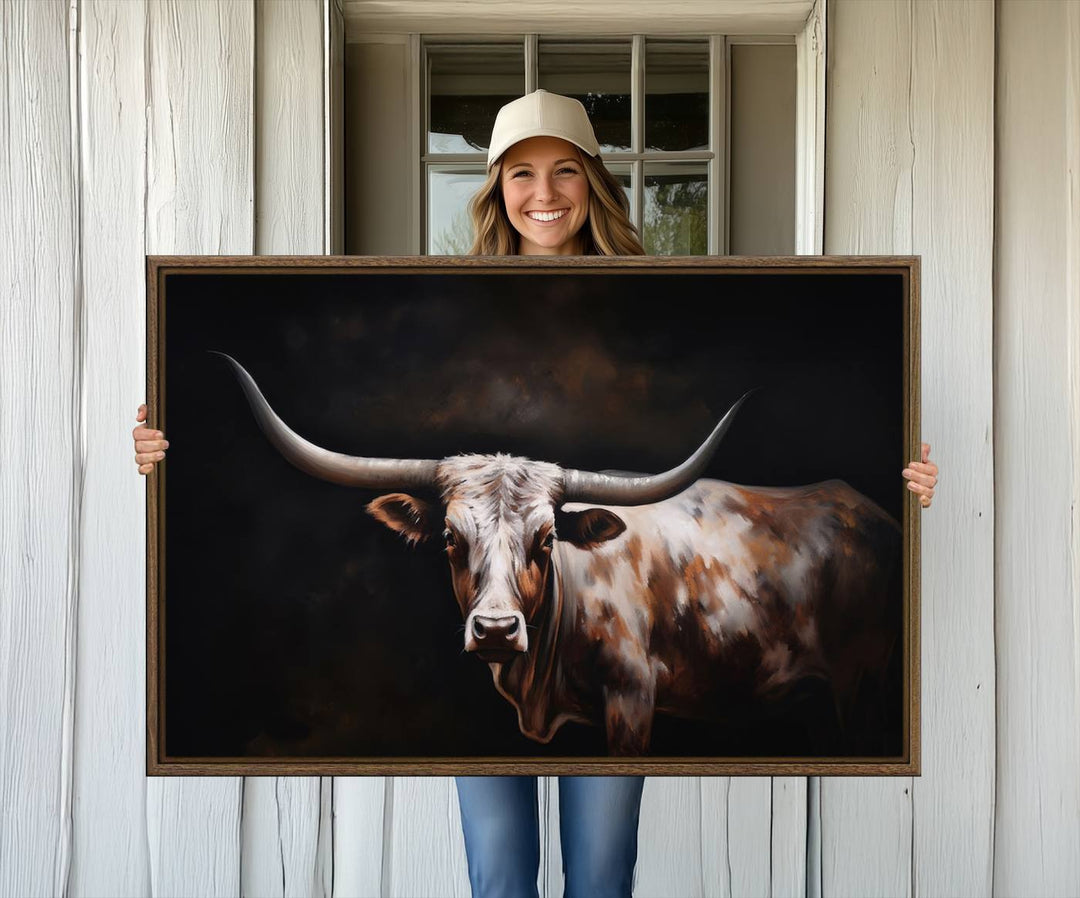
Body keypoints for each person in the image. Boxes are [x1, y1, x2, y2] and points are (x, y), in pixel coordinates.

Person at [131, 90, 939, 898]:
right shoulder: (439, 309)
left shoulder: (665, 299)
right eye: (521, 173)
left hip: (613, 599)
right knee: (498, 877)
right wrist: (170, 446)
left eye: (564, 172)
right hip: (500, 609)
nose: (544, 195)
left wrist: (900, 473)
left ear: (593, 182)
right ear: (495, 189)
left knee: (599, 874)